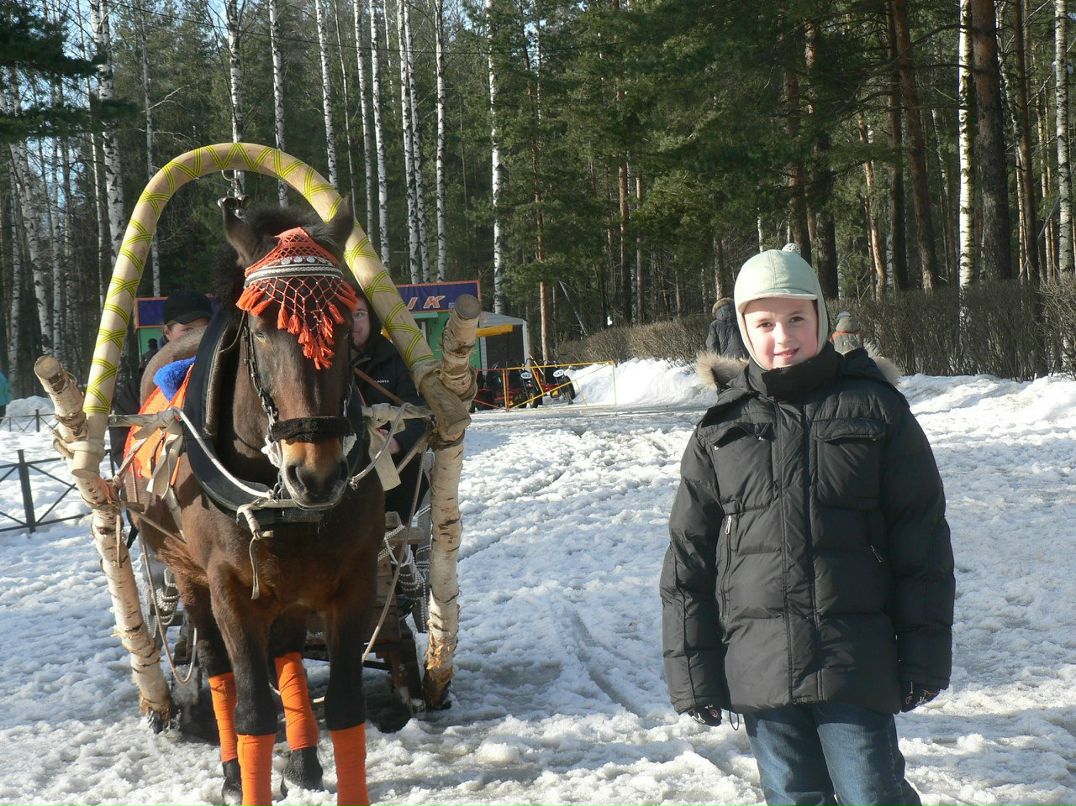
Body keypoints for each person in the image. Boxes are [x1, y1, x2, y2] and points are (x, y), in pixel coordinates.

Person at [661, 248, 954, 806]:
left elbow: (922, 543)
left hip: (855, 656)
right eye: (765, 323)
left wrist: (923, 652)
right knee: (794, 796)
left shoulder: (876, 411)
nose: (783, 336)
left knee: (873, 793)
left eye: (797, 318)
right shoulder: (721, 429)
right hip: (759, 663)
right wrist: (693, 669)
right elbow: (687, 559)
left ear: (821, 316)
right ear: (744, 331)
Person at [349, 289, 428, 523]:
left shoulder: (394, 358)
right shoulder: (323, 360)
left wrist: (397, 443)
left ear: (372, 318)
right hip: (339, 461)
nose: (353, 323)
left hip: (391, 460)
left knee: (411, 481)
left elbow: (418, 411)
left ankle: (402, 554)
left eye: (360, 314)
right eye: (346, 314)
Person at [111, 289, 213, 464]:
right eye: (188, 330)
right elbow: (123, 447)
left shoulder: (220, 370)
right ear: (167, 332)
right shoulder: (140, 384)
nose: (197, 338)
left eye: (204, 330)